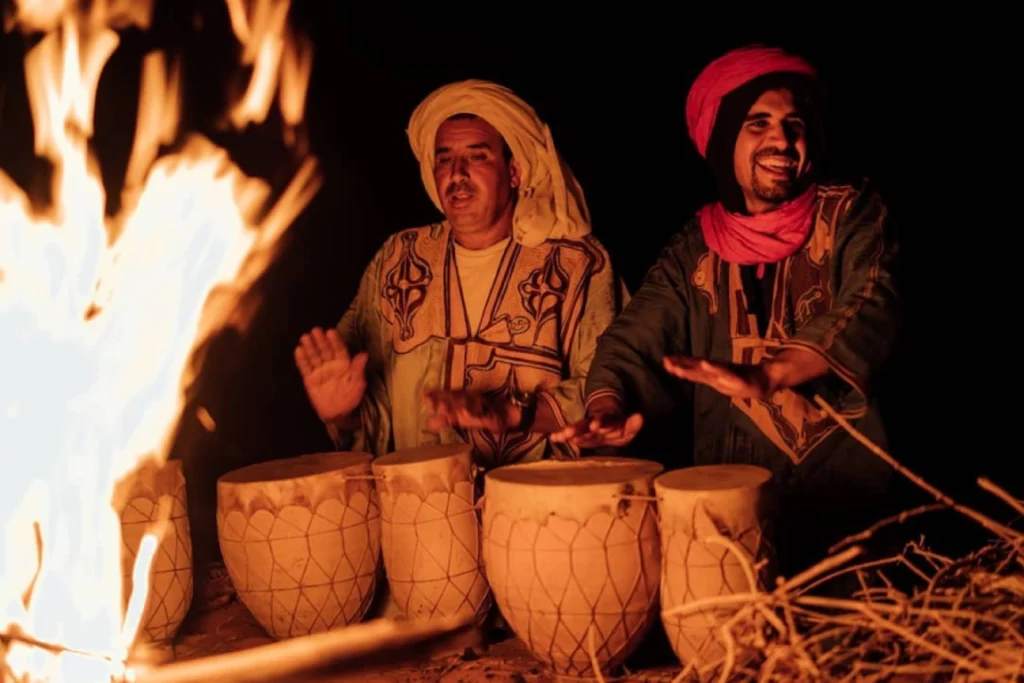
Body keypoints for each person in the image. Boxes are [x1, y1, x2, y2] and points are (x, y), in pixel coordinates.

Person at [553, 45, 902, 575]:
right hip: (730, 533)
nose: (782, 140)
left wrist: (771, 373)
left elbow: (874, 296)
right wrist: (605, 409)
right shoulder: (697, 246)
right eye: (756, 124)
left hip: (849, 534)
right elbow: (633, 338)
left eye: (794, 124)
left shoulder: (853, 212)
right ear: (721, 141)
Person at [295, 78, 623, 468]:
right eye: (445, 158)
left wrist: (512, 412)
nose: (458, 172)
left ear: (515, 171)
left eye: (477, 156)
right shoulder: (399, 259)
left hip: (538, 517)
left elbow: (611, 387)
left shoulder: (577, 264)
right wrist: (340, 413)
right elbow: (372, 413)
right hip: (416, 511)